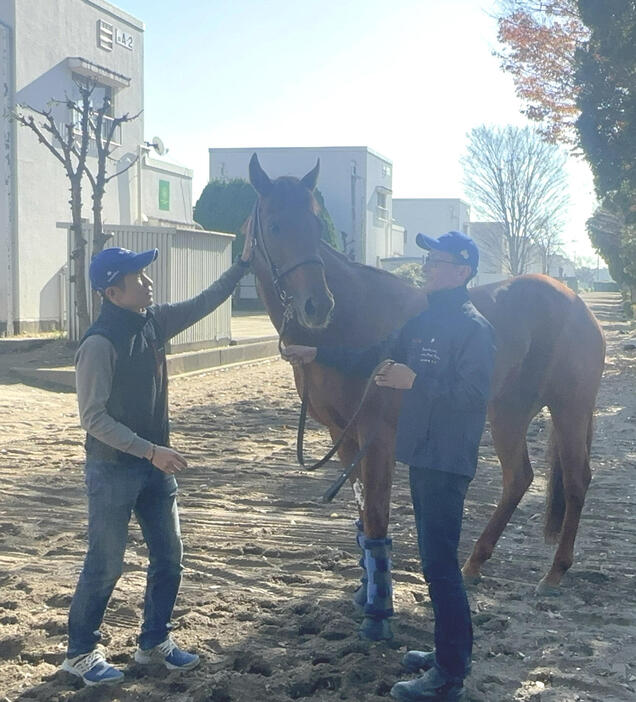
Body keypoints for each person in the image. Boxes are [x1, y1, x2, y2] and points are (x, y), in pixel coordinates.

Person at [281, 231, 495, 701]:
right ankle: (447, 653)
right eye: (428, 259)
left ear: (461, 272)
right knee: (434, 563)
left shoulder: (474, 327)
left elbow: (474, 397)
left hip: (446, 460)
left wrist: (414, 380)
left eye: (437, 261)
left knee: (441, 568)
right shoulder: (424, 320)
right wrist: (317, 353)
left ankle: (449, 677)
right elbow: (372, 356)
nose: (427, 267)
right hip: (422, 454)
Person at [61, 236, 252, 686]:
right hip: (112, 469)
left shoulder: (152, 321)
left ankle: (153, 642)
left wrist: (241, 266)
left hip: (153, 467)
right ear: (113, 293)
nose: (148, 283)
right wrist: (151, 450)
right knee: (105, 562)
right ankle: (80, 652)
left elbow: (205, 301)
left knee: (169, 556)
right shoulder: (98, 344)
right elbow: (93, 419)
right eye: (138, 278)